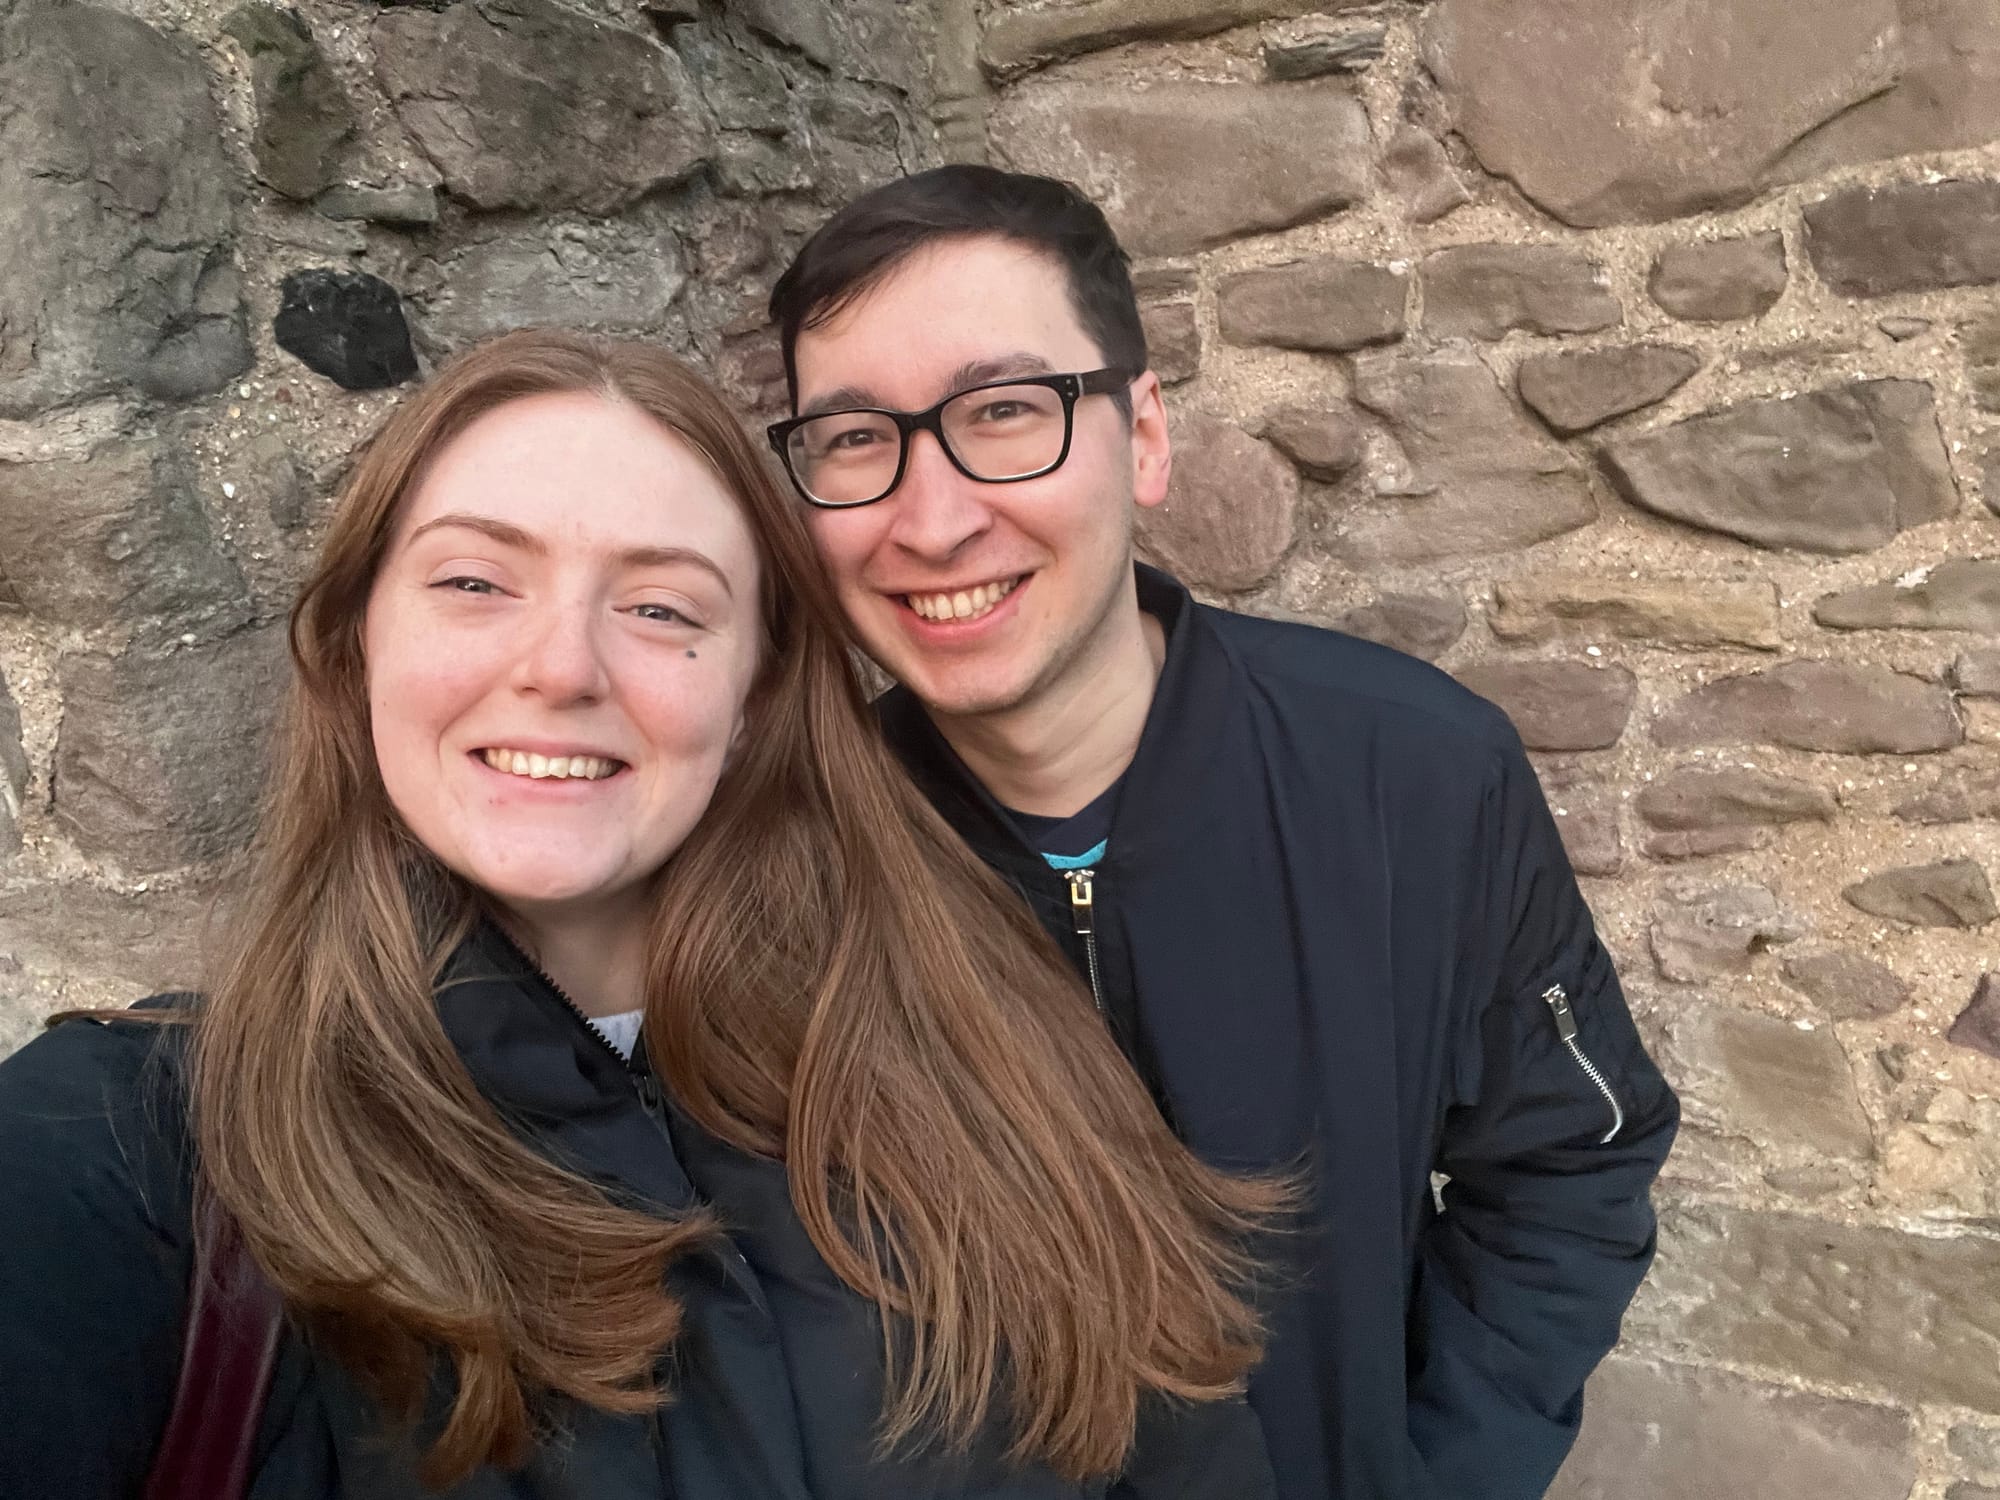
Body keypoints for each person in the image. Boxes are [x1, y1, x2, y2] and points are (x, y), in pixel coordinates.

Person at [0, 329, 1289, 1499]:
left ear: (754, 698)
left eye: (663, 607)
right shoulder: (138, 1152)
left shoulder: (994, 1043)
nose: (561, 666)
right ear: (356, 644)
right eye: (473, 583)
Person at [766, 166, 1680, 1500]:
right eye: (855, 439)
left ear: (1141, 435)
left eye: (1005, 412)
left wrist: (1441, 1472)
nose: (933, 515)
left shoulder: (1416, 777)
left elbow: (1567, 1163)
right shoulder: (785, 872)